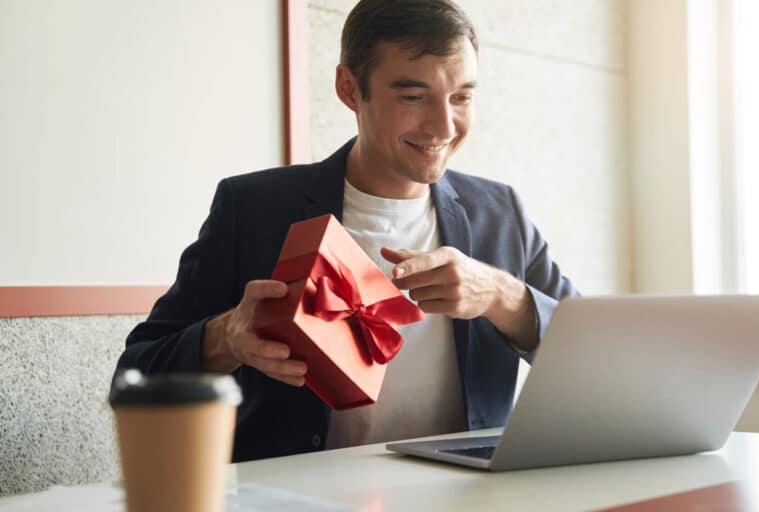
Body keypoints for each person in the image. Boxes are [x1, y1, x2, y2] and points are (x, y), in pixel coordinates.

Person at [116, 0, 576, 462]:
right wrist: (225, 336)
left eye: (462, 97)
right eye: (414, 97)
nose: (443, 126)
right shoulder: (253, 210)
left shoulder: (501, 213)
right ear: (349, 88)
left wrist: (503, 297)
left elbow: (597, 360)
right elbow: (135, 372)